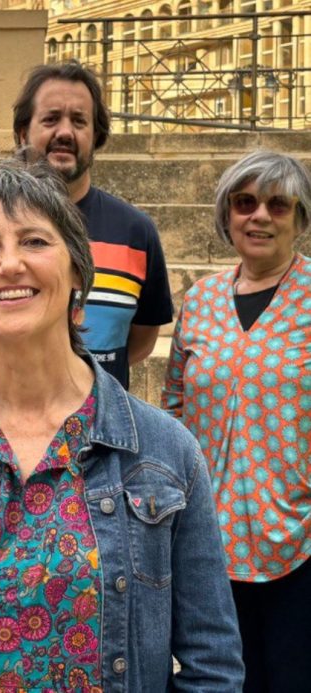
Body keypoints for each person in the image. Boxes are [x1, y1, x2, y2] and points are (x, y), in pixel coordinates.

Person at [0, 159, 245, 690]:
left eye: (35, 241)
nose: (9, 263)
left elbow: (212, 664)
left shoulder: (166, 454)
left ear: (77, 271)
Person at [162, 149, 311, 693]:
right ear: (227, 214)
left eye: (278, 204)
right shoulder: (201, 301)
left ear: (300, 218)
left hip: (300, 540)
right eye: (245, 203)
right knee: (223, 678)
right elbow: (174, 406)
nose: (260, 216)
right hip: (210, 540)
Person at [13, 61, 173, 389]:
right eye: (50, 119)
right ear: (23, 133)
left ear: (96, 135)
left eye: (79, 121)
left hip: (104, 417)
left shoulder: (136, 232)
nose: (65, 133)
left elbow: (140, 341)